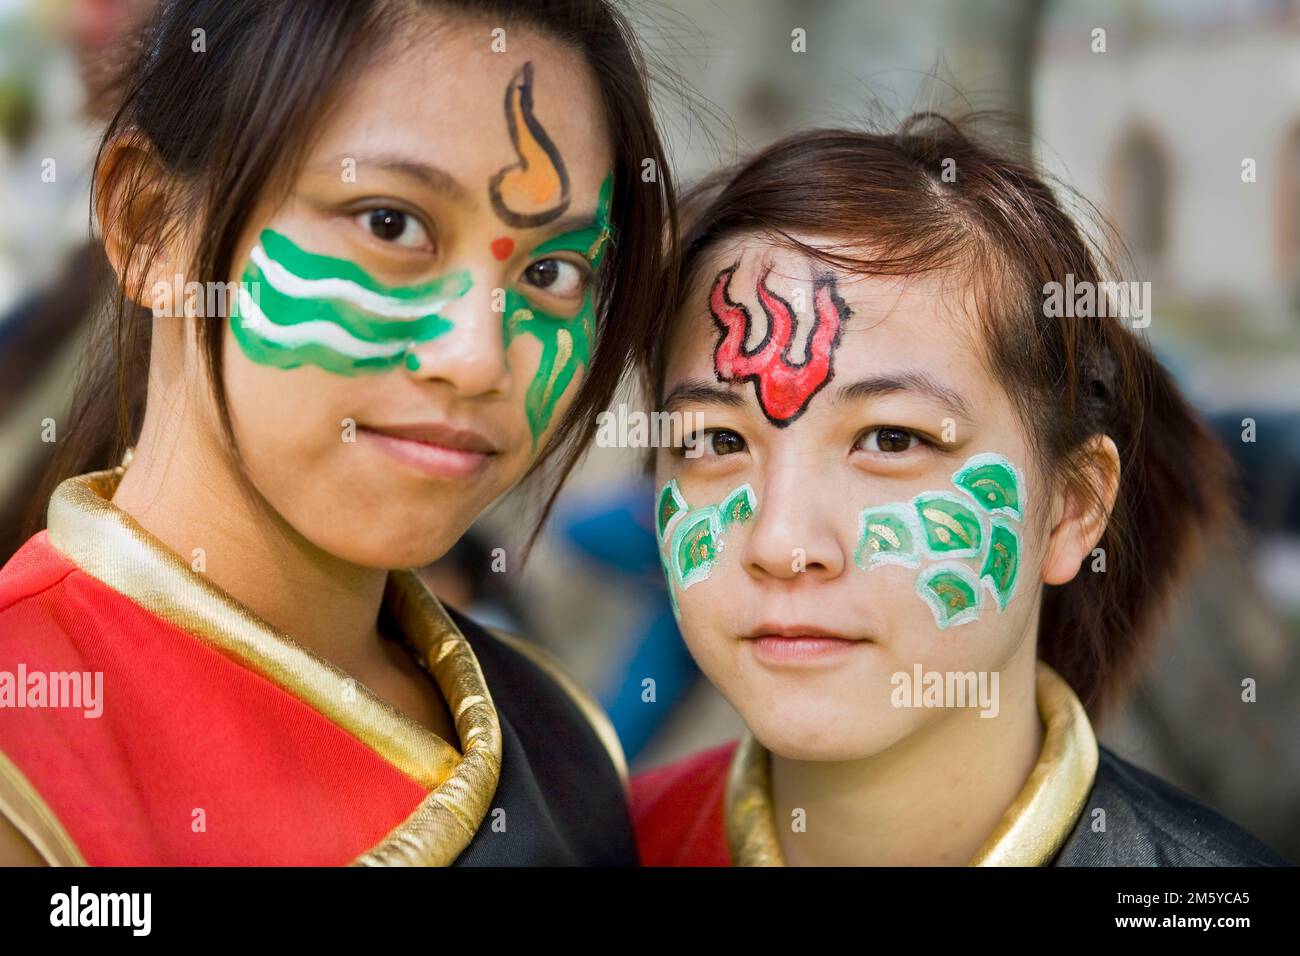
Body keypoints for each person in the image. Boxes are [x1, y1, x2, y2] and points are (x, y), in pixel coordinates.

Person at [0, 0, 676, 866]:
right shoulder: (29, 753)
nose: (475, 359)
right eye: (390, 224)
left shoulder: (560, 734)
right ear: (150, 224)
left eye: (552, 271)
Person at [630, 115, 1292, 866]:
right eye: (718, 441)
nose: (781, 543)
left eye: (891, 439)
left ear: (1073, 507)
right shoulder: (583, 846)